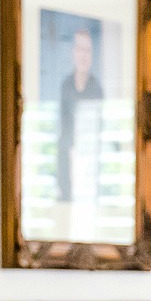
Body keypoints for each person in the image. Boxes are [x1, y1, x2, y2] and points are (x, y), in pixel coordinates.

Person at [57, 27, 103, 202]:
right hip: (68, 158)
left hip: (90, 160)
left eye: (88, 50)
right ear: (73, 52)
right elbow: (63, 123)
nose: (84, 55)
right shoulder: (66, 86)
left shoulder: (96, 88)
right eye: (80, 49)